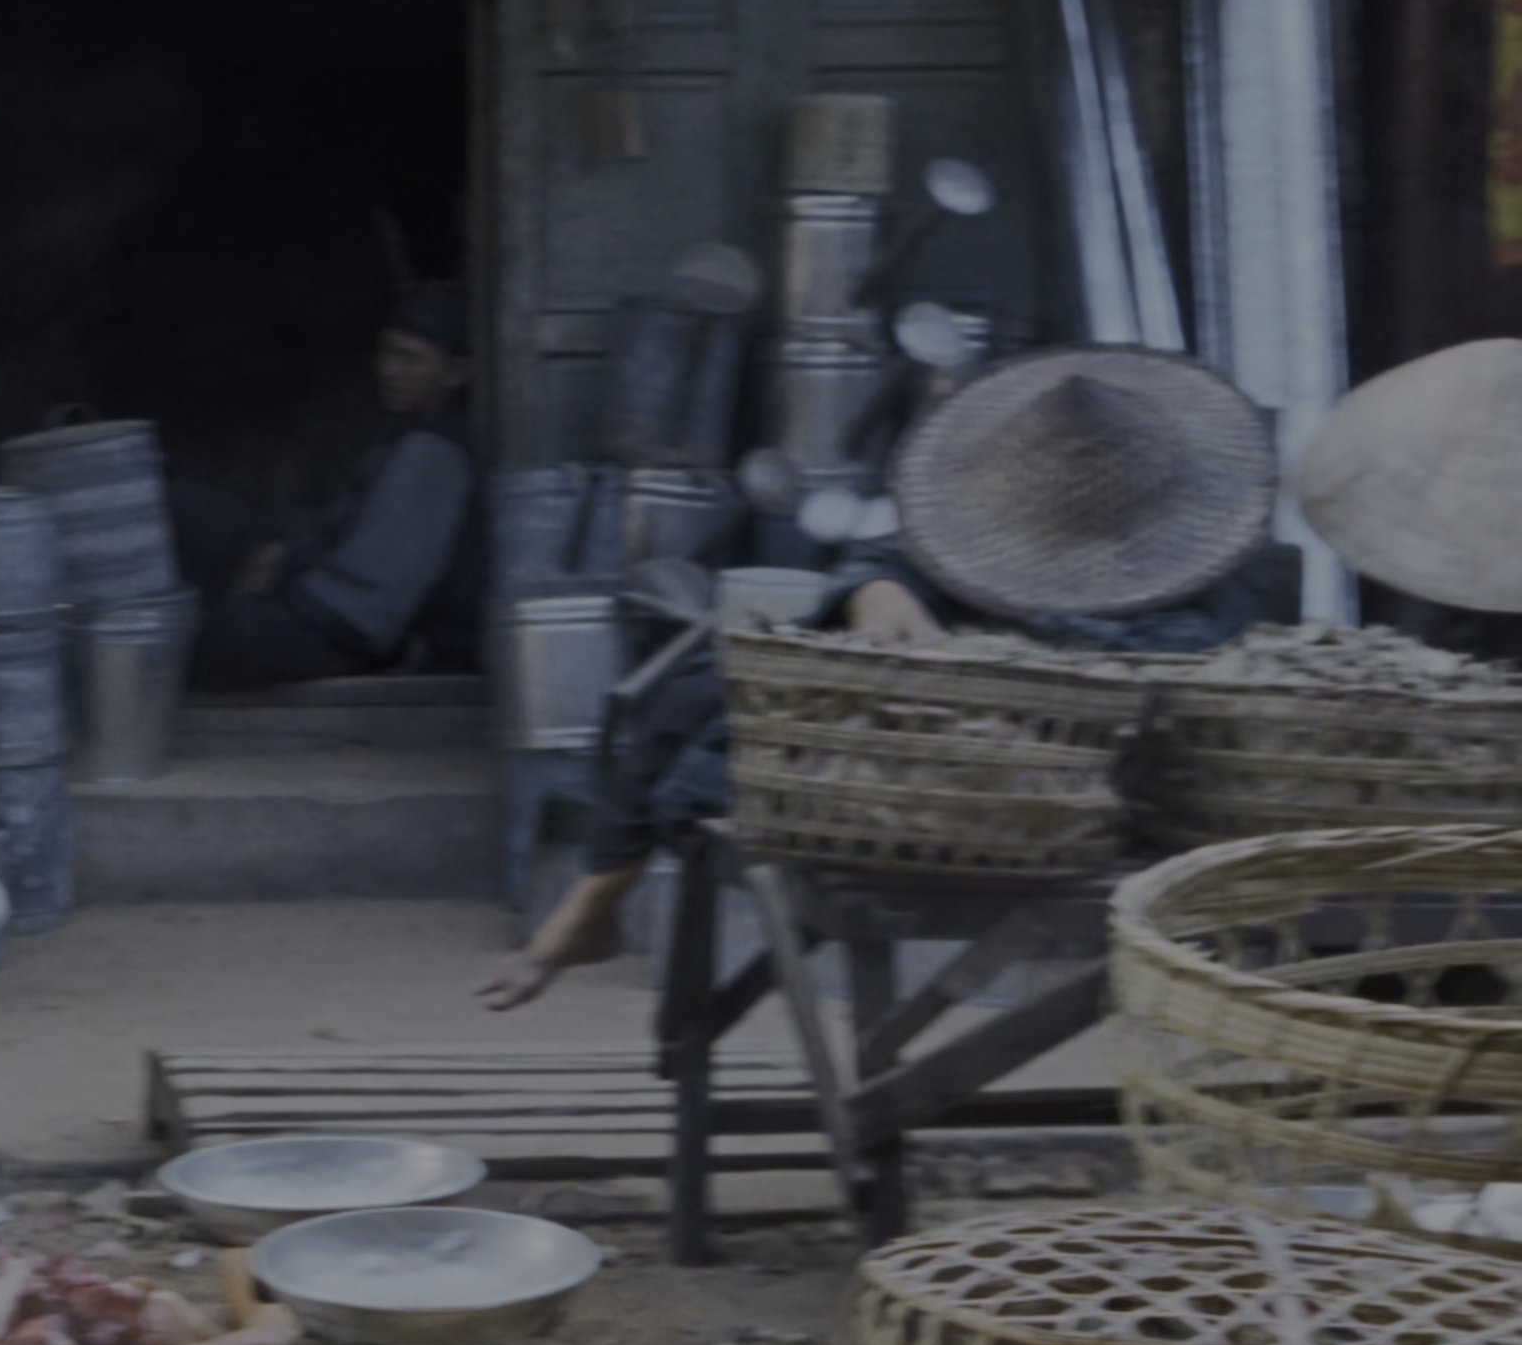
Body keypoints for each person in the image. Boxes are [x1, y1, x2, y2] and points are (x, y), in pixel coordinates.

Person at [476, 344, 1287, 1011]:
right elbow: (886, 560)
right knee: (691, 688)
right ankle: (589, 911)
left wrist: (1026, 653)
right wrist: (875, 593)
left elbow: (1197, 669)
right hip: (929, 739)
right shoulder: (974, 526)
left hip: (1076, 772)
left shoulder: (1216, 576)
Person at [176, 281, 485, 690]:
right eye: (387, 354)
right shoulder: (408, 437)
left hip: (358, 633)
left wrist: (278, 591)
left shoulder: (435, 453)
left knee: (211, 638)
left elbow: (367, 600)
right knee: (191, 511)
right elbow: (344, 526)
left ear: (455, 373)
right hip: (326, 586)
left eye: (410, 359)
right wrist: (281, 549)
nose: (388, 371)